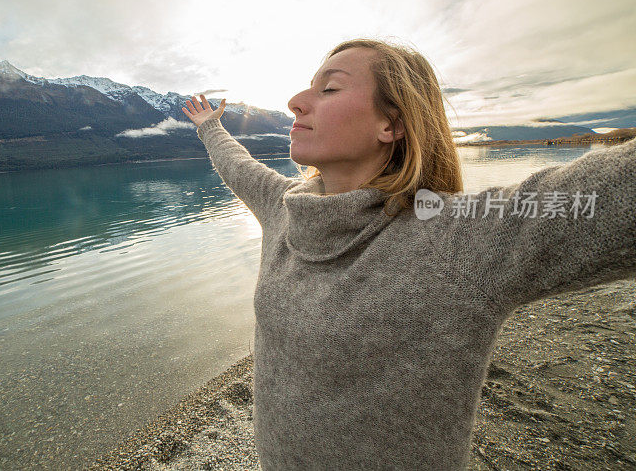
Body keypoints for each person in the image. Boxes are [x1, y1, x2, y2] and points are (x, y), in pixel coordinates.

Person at [181, 38, 636, 470]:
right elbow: (239, 167)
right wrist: (210, 127)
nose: (296, 101)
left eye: (330, 87)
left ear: (392, 125)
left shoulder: (459, 237)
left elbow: (610, 193)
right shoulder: (285, 209)